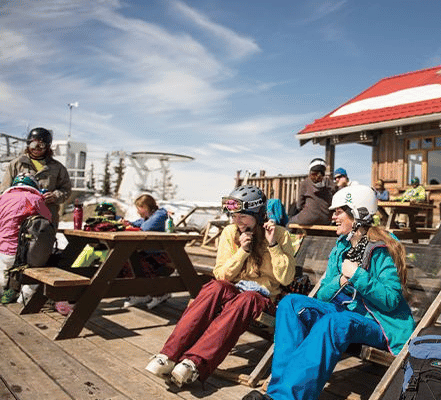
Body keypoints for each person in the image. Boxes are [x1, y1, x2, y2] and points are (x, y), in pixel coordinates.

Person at [244, 185, 415, 400]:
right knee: (291, 304)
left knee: (335, 321)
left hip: (377, 322)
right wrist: (342, 279)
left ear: (357, 214)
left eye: (338, 212)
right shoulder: (341, 247)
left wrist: (358, 277)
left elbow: (391, 300)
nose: (332, 216)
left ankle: (285, 397)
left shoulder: (380, 249)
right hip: (343, 314)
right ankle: (277, 392)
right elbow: (323, 294)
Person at [145, 185, 295, 387]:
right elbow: (222, 274)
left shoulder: (280, 234)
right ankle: (168, 355)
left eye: (242, 216)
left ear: (257, 214)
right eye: (233, 216)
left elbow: (285, 278)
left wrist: (273, 245)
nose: (236, 221)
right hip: (235, 289)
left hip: (263, 298)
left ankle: (194, 362)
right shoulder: (230, 232)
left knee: (247, 298)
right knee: (214, 287)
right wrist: (242, 251)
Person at [0, 127, 72, 227]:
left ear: (48, 146)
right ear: (28, 144)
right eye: (33, 144)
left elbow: (66, 190)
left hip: (45, 220)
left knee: (42, 242)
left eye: (41, 145)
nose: (37, 148)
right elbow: (4, 191)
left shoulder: (57, 168)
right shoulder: (16, 165)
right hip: (18, 218)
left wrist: (55, 196)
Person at [0, 174, 52, 304]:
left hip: (3, 250)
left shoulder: (2, 198)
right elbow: (47, 220)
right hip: (24, 252)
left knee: (4, 275)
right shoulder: (34, 199)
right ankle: (24, 299)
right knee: (35, 272)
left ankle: (4, 294)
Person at [122, 194, 173, 309]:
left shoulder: (159, 215)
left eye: (139, 208)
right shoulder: (148, 217)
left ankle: (159, 293)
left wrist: (136, 224)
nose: (137, 211)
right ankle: (141, 292)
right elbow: (138, 223)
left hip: (161, 255)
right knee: (128, 260)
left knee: (137, 262)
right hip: (149, 253)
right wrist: (128, 223)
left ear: (145, 207)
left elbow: (145, 227)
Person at [288, 158, 334, 225]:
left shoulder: (305, 183)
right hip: (326, 219)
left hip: (307, 218)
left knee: (290, 222)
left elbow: (299, 206)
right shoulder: (330, 183)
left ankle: (291, 235)